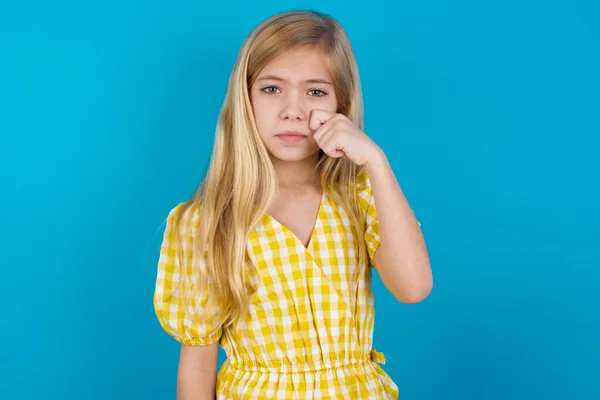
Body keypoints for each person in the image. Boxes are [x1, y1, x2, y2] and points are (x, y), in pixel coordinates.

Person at [153, 9, 432, 399]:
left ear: (342, 104)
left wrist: (376, 162)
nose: (293, 110)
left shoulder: (361, 196)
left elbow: (413, 288)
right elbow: (197, 367)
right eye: (272, 89)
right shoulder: (207, 221)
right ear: (245, 100)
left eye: (316, 91)